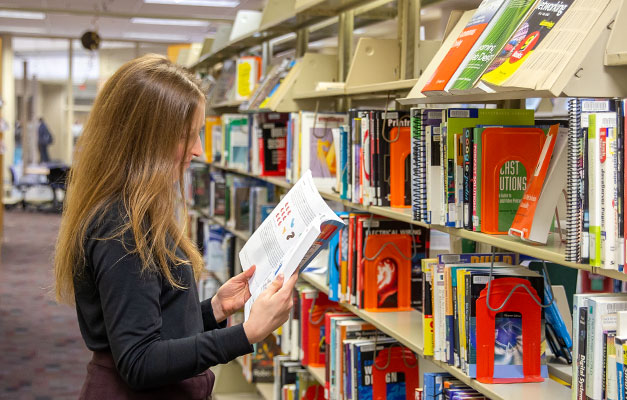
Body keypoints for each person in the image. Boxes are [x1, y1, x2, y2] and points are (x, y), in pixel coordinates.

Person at [53, 54, 297, 399]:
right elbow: (138, 360)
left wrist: (215, 310)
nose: (198, 150)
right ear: (146, 139)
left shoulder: (136, 209)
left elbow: (148, 320)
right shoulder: (120, 224)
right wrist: (247, 333)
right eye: (188, 136)